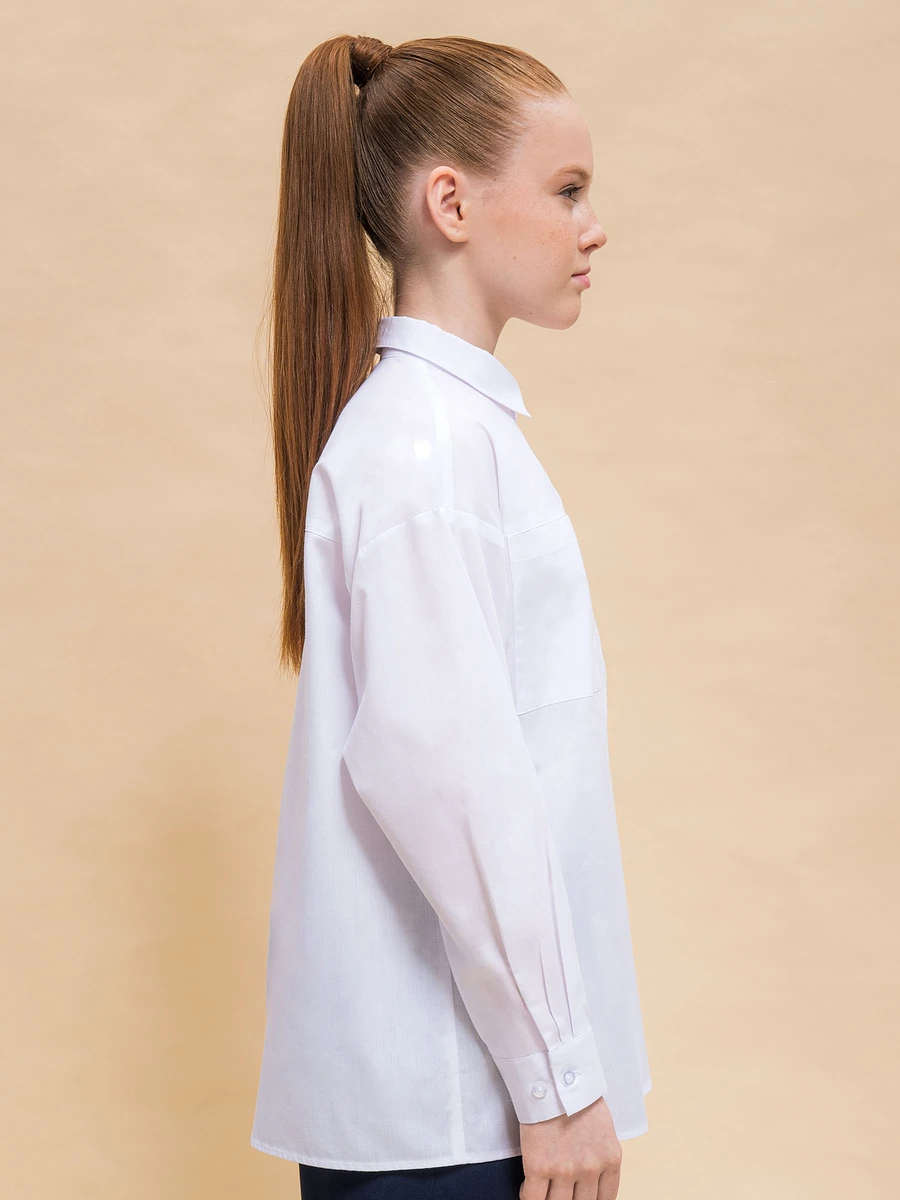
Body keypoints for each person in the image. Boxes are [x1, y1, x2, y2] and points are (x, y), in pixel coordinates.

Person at [249, 32, 652, 1200]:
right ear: (450, 204)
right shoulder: (425, 451)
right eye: (567, 189)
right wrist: (560, 1082)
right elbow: (454, 782)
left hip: (451, 1113)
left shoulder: (439, 438)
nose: (593, 226)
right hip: (457, 1121)